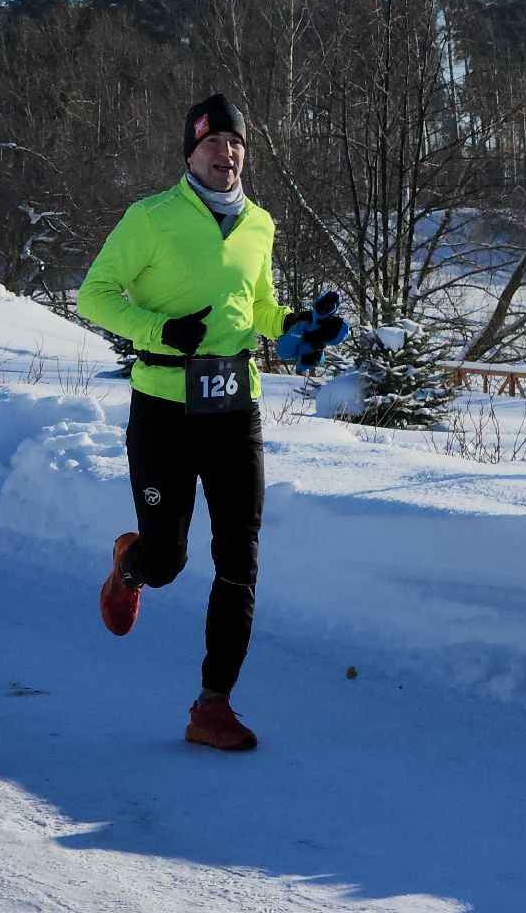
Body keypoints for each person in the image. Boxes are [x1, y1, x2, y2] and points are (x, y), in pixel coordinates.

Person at [77, 93, 342, 751]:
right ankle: (131, 567)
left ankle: (212, 705)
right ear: (190, 152)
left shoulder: (259, 224)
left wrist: (294, 331)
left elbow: (256, 307)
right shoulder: (151, 218)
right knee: (168, 559)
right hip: (164, 407)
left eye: (238, 143)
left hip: (233, 409)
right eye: (215, 141)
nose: (229, 153)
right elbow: (93, 295)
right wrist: (159, 330)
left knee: (239, 557)